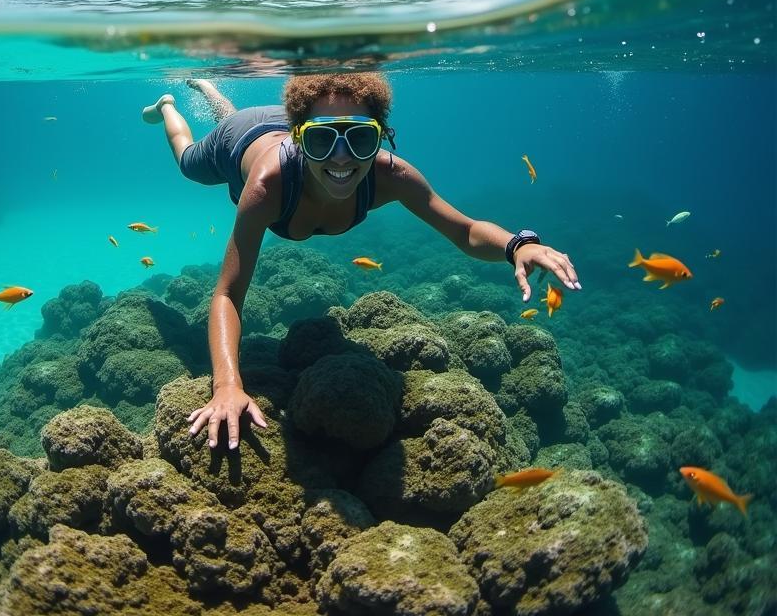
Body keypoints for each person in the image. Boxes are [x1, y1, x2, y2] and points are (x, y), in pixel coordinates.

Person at [142, 73, 580, 451]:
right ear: (302, 138)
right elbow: (227, 294)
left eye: (360, 137)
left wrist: (518, 244)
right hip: (240, 138)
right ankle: (169, 105)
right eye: (321, 139)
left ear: (381, 136)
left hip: (282, 128)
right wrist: (227, 386)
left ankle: (219, 96)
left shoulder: (392, 176)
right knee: (187, 163)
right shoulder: (266, 187)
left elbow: (463, 231)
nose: (341, 156)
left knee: (242, 120)